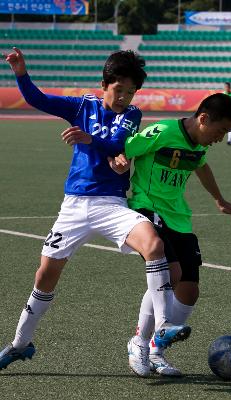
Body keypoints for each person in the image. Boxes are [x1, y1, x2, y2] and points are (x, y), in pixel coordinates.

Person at [0, 48, 190, 377]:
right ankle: (20, 343)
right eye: (119, 90)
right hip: (74, 206)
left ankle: (162, 327)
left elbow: (117, 142)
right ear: (104, 84)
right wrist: (20, 73)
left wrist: (89, 139)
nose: (124, 97)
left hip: (111, 205)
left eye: (131, 92)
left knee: (154, 245)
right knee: (44, 275)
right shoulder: (81, 106)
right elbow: (39, 99)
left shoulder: (130, 115)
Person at [109, 93, 231, 376]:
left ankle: (157, 350)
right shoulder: (164, 131)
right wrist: (118, 161)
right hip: (147, 206)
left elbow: (201, 166)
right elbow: (124, 148)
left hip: (178, 217)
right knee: (171, 273)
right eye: (220, 131)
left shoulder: (198, 145)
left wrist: (219, 200)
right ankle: (140, 342)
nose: (221, 137)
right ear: (203, 118)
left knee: (190, 289)